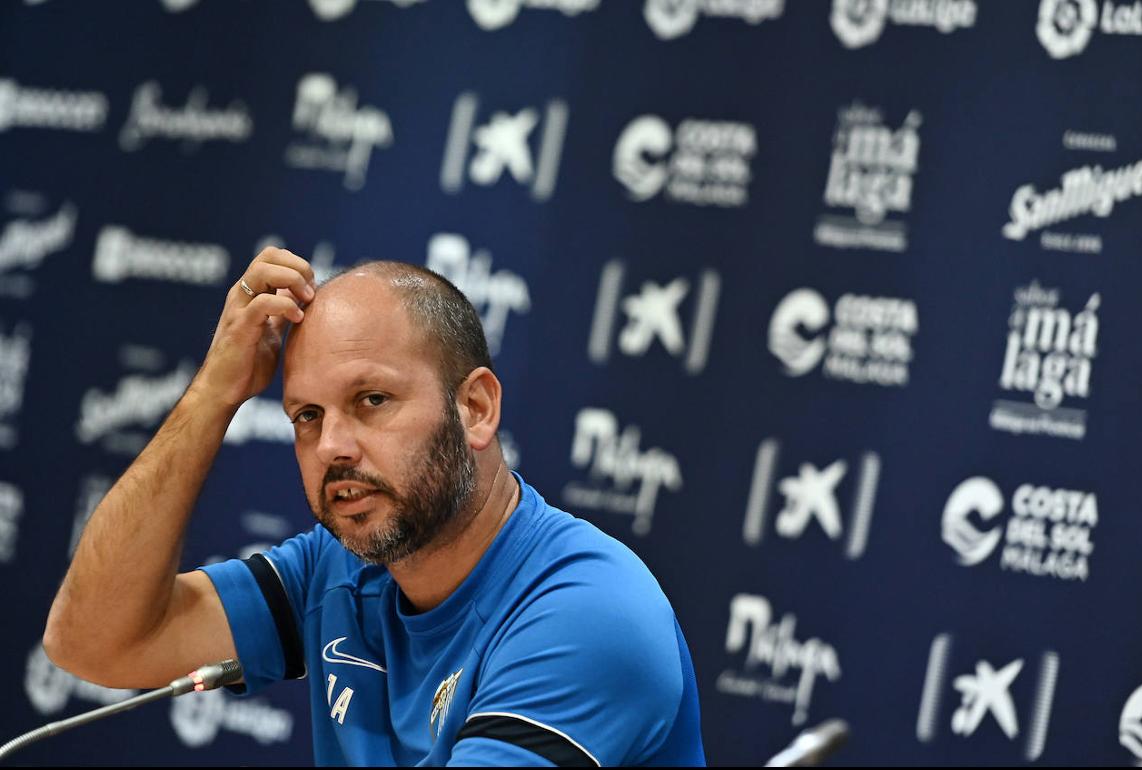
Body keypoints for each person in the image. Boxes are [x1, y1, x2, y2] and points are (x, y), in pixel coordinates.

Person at [43, 248, 705, 767]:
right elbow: (91, 643)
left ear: (474, 408)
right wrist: (215, 390)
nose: (331, 446)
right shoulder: (335, 571)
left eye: (371, 401)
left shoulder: (585, 611)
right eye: (306, 415)